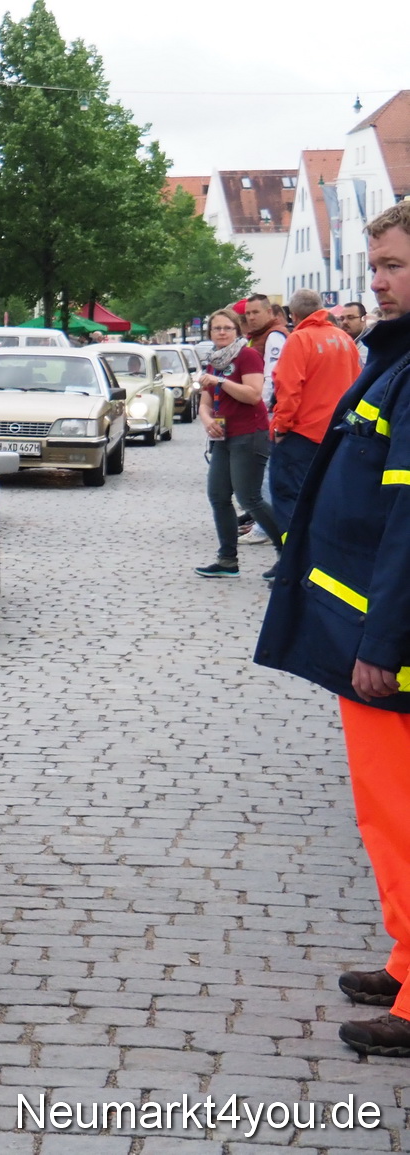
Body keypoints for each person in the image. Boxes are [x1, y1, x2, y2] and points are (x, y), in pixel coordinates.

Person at [254, 201, 410, 1058]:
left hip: (390, 645)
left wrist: (382, 644)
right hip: (371, 631)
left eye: (390, 265)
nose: (375, 281)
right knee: (386, 817)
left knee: (403, 816)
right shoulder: (396, 356)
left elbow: (409, 524)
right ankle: (406, 958)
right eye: (374, 265)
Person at [194, 307, 279, 579]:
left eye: (227, 328)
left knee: (248, 497)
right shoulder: (214, 361)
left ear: (237, 330)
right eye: (217, 328)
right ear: (210, 333)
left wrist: (221, 380)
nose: (221, 332)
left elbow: (253, 395)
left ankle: (288, 551)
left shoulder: (248, 355)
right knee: (218, 496)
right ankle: (227, 560)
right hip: (223, 436)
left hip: (249, 433)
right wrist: (207, 419)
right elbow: (206, 403)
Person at [268, 288, 362, 531]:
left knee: (290, 498)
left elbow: (288, 390)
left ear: (295, 316)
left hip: (303, 435)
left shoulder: (299, 340)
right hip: (337, 435)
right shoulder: (344, 340)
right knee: (326, 499)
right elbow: (358, 383)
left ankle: (292, 560)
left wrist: (280, 427)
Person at [244, 294, 290, 407]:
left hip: (269, 407)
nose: (251, 317)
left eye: (256, 312)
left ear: (269, 312)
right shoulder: (259, 335)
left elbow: (272, 376)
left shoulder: (274, 336)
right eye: (248, 313)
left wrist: (261, 406)